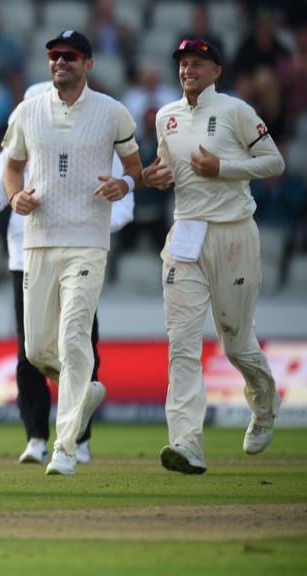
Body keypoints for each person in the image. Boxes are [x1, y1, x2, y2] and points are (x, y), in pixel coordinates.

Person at [0, 82, 135, 465]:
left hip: (81, 253)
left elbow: (124, 202)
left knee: (78, 339)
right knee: (31, 352)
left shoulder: (94, 145)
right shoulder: (20, 144)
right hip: (26, 256)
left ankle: (78, 438)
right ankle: (36, 437)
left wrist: (82, 220)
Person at [2, 30, 143, 476]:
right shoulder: (27, 111)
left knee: (73, 336)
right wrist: (14, 198)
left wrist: (125, 184)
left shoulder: (112, 113)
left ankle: (64, 447)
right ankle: (85, 393)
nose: (59, 63)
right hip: (38, 241)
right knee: (38, 350)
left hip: (87, 240)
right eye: (54, 56)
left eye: (69, 57)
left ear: (88, 63)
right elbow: (11, 166)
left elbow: (135, 167)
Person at [143, 39, 285, 475]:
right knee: (181, 344)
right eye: (184, 64)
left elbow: (274, 163)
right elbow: (164, 167)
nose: (188, 70)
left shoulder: (235, 112)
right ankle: (187, 444)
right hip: (186, 234)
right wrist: (153, 176)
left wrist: (222, 168)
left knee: (236, 343)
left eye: (197, 64)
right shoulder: (164, 116)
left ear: (216, 71)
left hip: (234, 235)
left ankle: (264, 404)